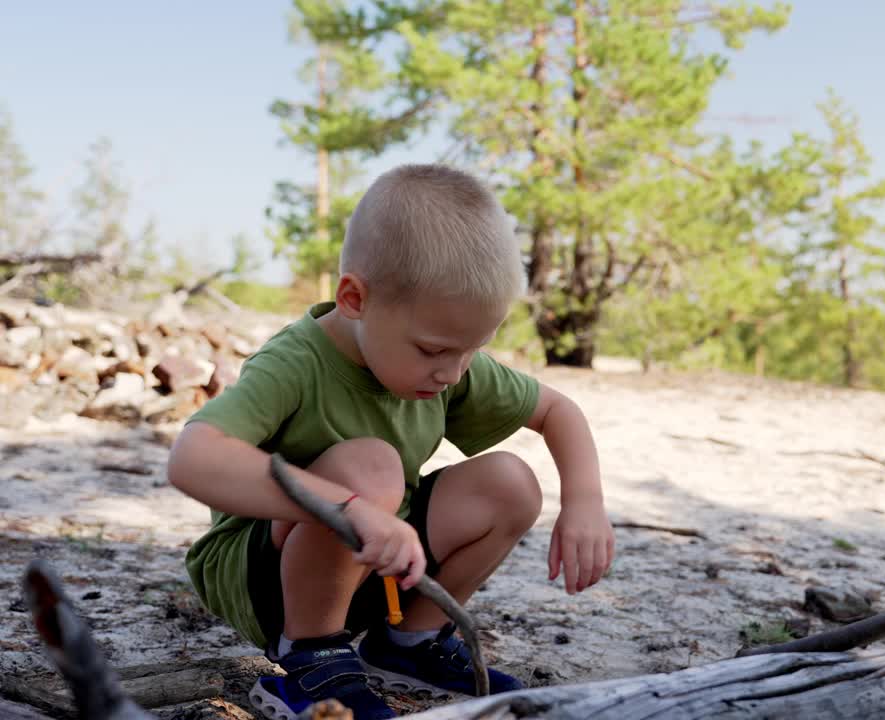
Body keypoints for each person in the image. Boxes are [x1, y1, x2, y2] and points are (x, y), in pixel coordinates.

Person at [168, 163, 615, 720]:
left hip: (377, 563)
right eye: (433, 351)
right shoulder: (296, 362)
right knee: (373, 466)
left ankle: (409, 644)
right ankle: (310, 657)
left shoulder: (445, 356)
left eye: (470, 350)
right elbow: (192, 458)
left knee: (511, 483)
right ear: (355, 298)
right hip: (264, 579)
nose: (453, 373)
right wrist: (350, 508)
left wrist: (585, 503)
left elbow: (557, 410)